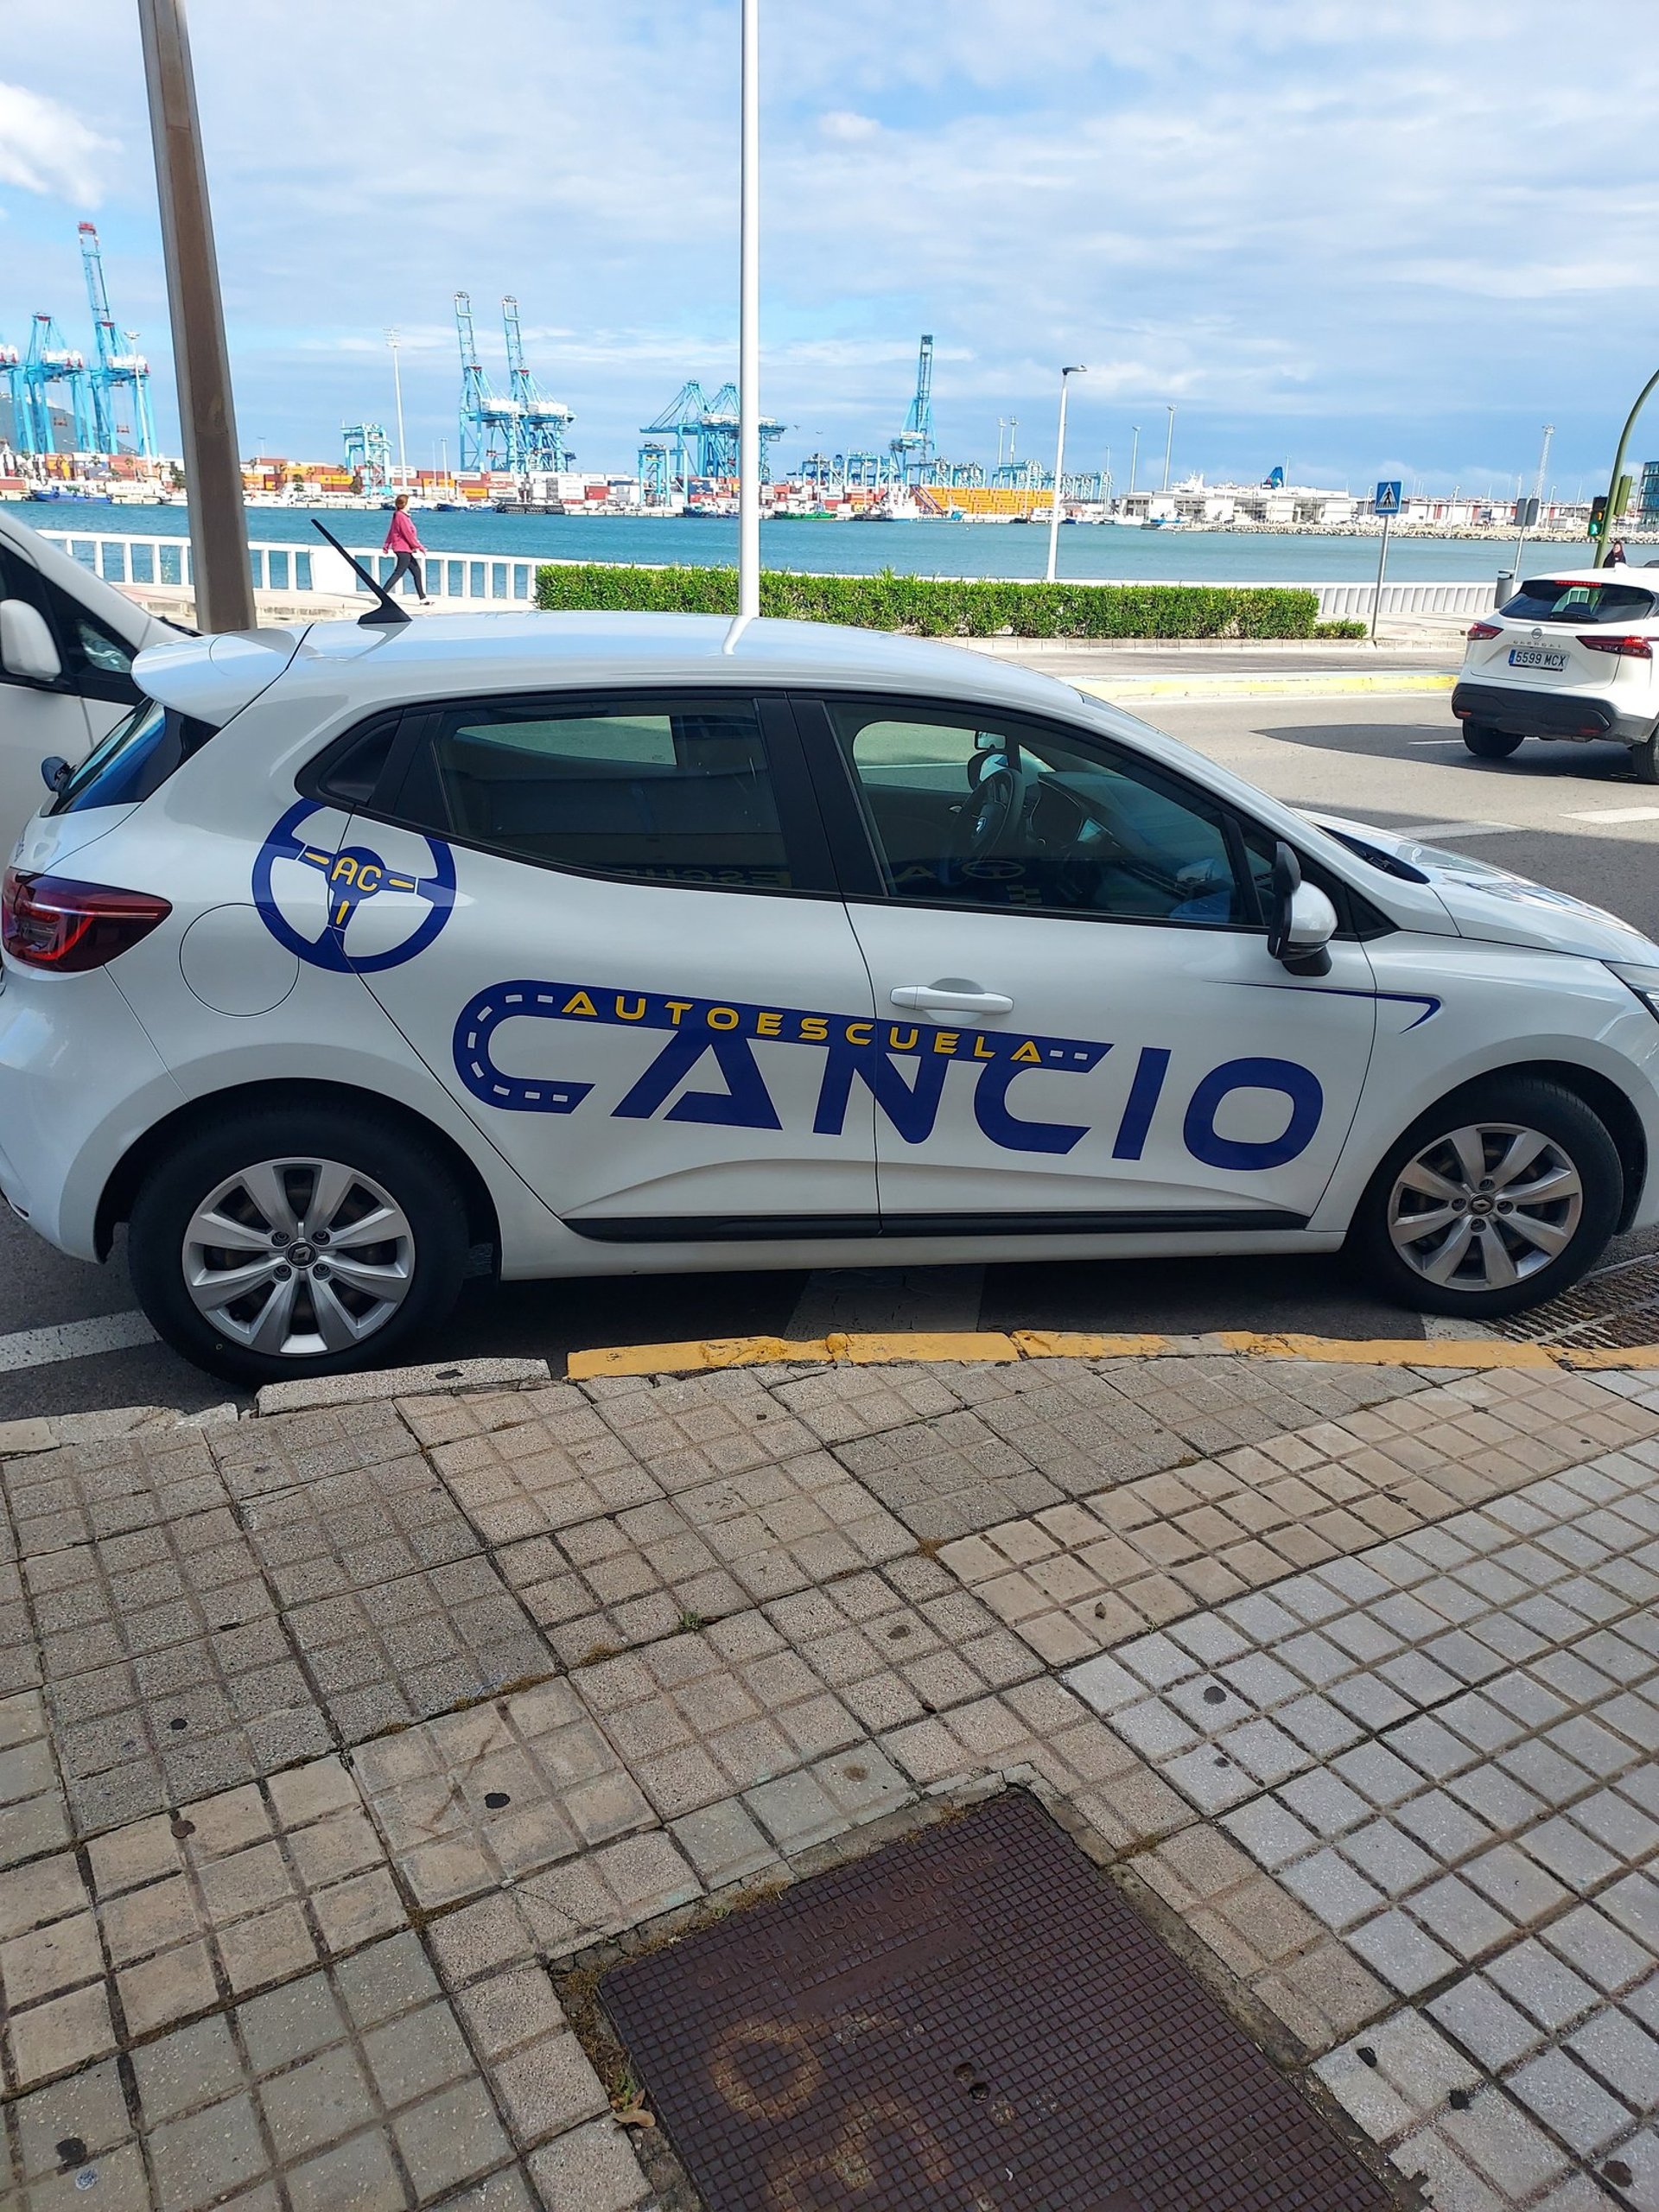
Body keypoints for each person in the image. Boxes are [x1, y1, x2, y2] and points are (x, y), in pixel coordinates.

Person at [383, 495, 430, 605]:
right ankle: (382, 594)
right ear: (404, 504)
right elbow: (407, 534)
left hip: (405, 549)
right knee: (399, 573)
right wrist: (420, 547)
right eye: (409, 503)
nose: (410, 505)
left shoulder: (400, 516)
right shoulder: (401, 516)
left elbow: (392, 531)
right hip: (402, 549)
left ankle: (423, 599)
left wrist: (386, 545)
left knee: (416, 572)